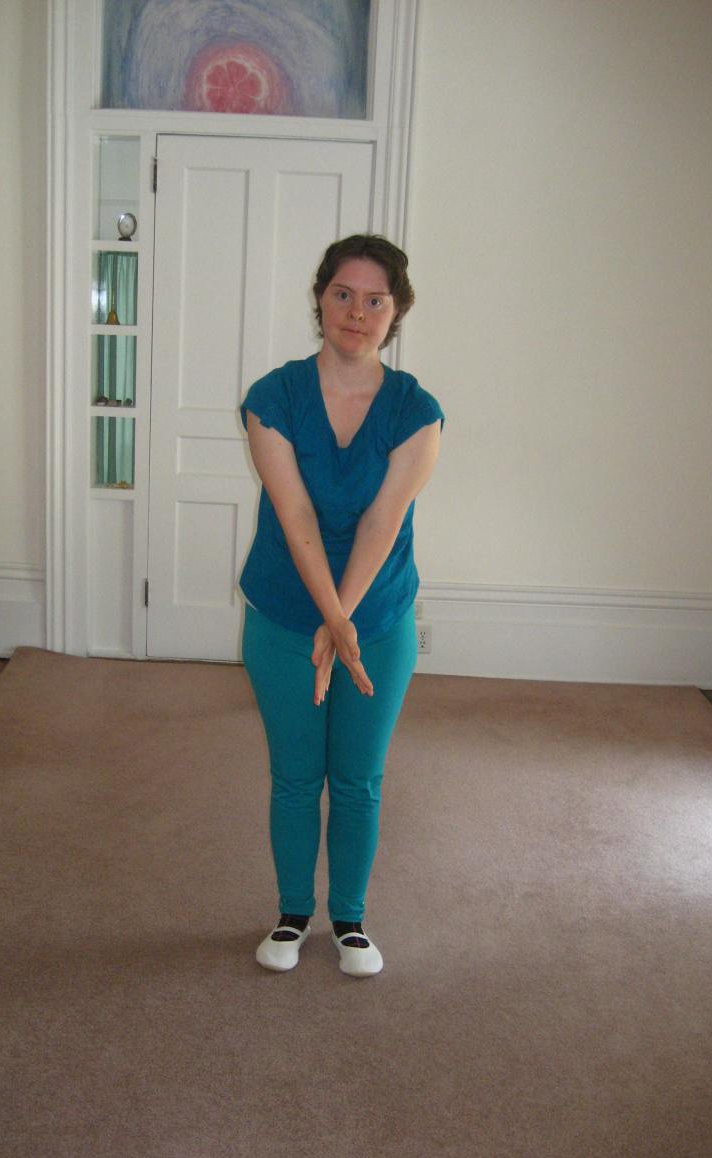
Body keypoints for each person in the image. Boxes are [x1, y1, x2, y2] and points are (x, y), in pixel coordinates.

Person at [239, 233, 444, 978]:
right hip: (283, 616)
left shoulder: (417, 411)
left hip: (377, 622)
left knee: (358, 778)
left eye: (375, 300)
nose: (357, 312)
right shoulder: (273, 398)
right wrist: (330, 620)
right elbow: (294, 513)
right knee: (295, 776)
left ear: (397, 312)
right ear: (321, 300)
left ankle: (350, 920)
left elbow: (382, 523)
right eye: (343, 295)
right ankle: (293, 913)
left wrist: (344, 624)